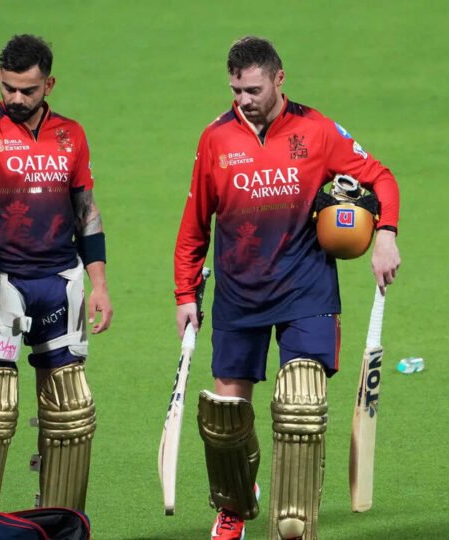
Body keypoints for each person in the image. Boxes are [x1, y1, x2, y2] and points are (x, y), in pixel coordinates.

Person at [173, 36, 401, 540]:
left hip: (306, 290)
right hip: (239, 292)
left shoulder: (316, 130)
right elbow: (195, 223)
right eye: (236, 90)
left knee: (301, 405)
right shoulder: (216, 139)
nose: (244, 100)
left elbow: (381, 178)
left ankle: (293, 522)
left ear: (279, 79)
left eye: (253, 89)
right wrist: (185, 294)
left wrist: (386, 234)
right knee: (226, 420)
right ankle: (235, 505)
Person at [0, 34, 112, 513]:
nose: (16, 99)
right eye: (8, 88)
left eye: (28, 90)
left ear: (49, 85)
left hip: (61, 284)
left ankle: (59, 523)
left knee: (70, 411)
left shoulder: (71, 135)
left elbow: (87, 213)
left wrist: (99, 284)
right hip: (2, 286)